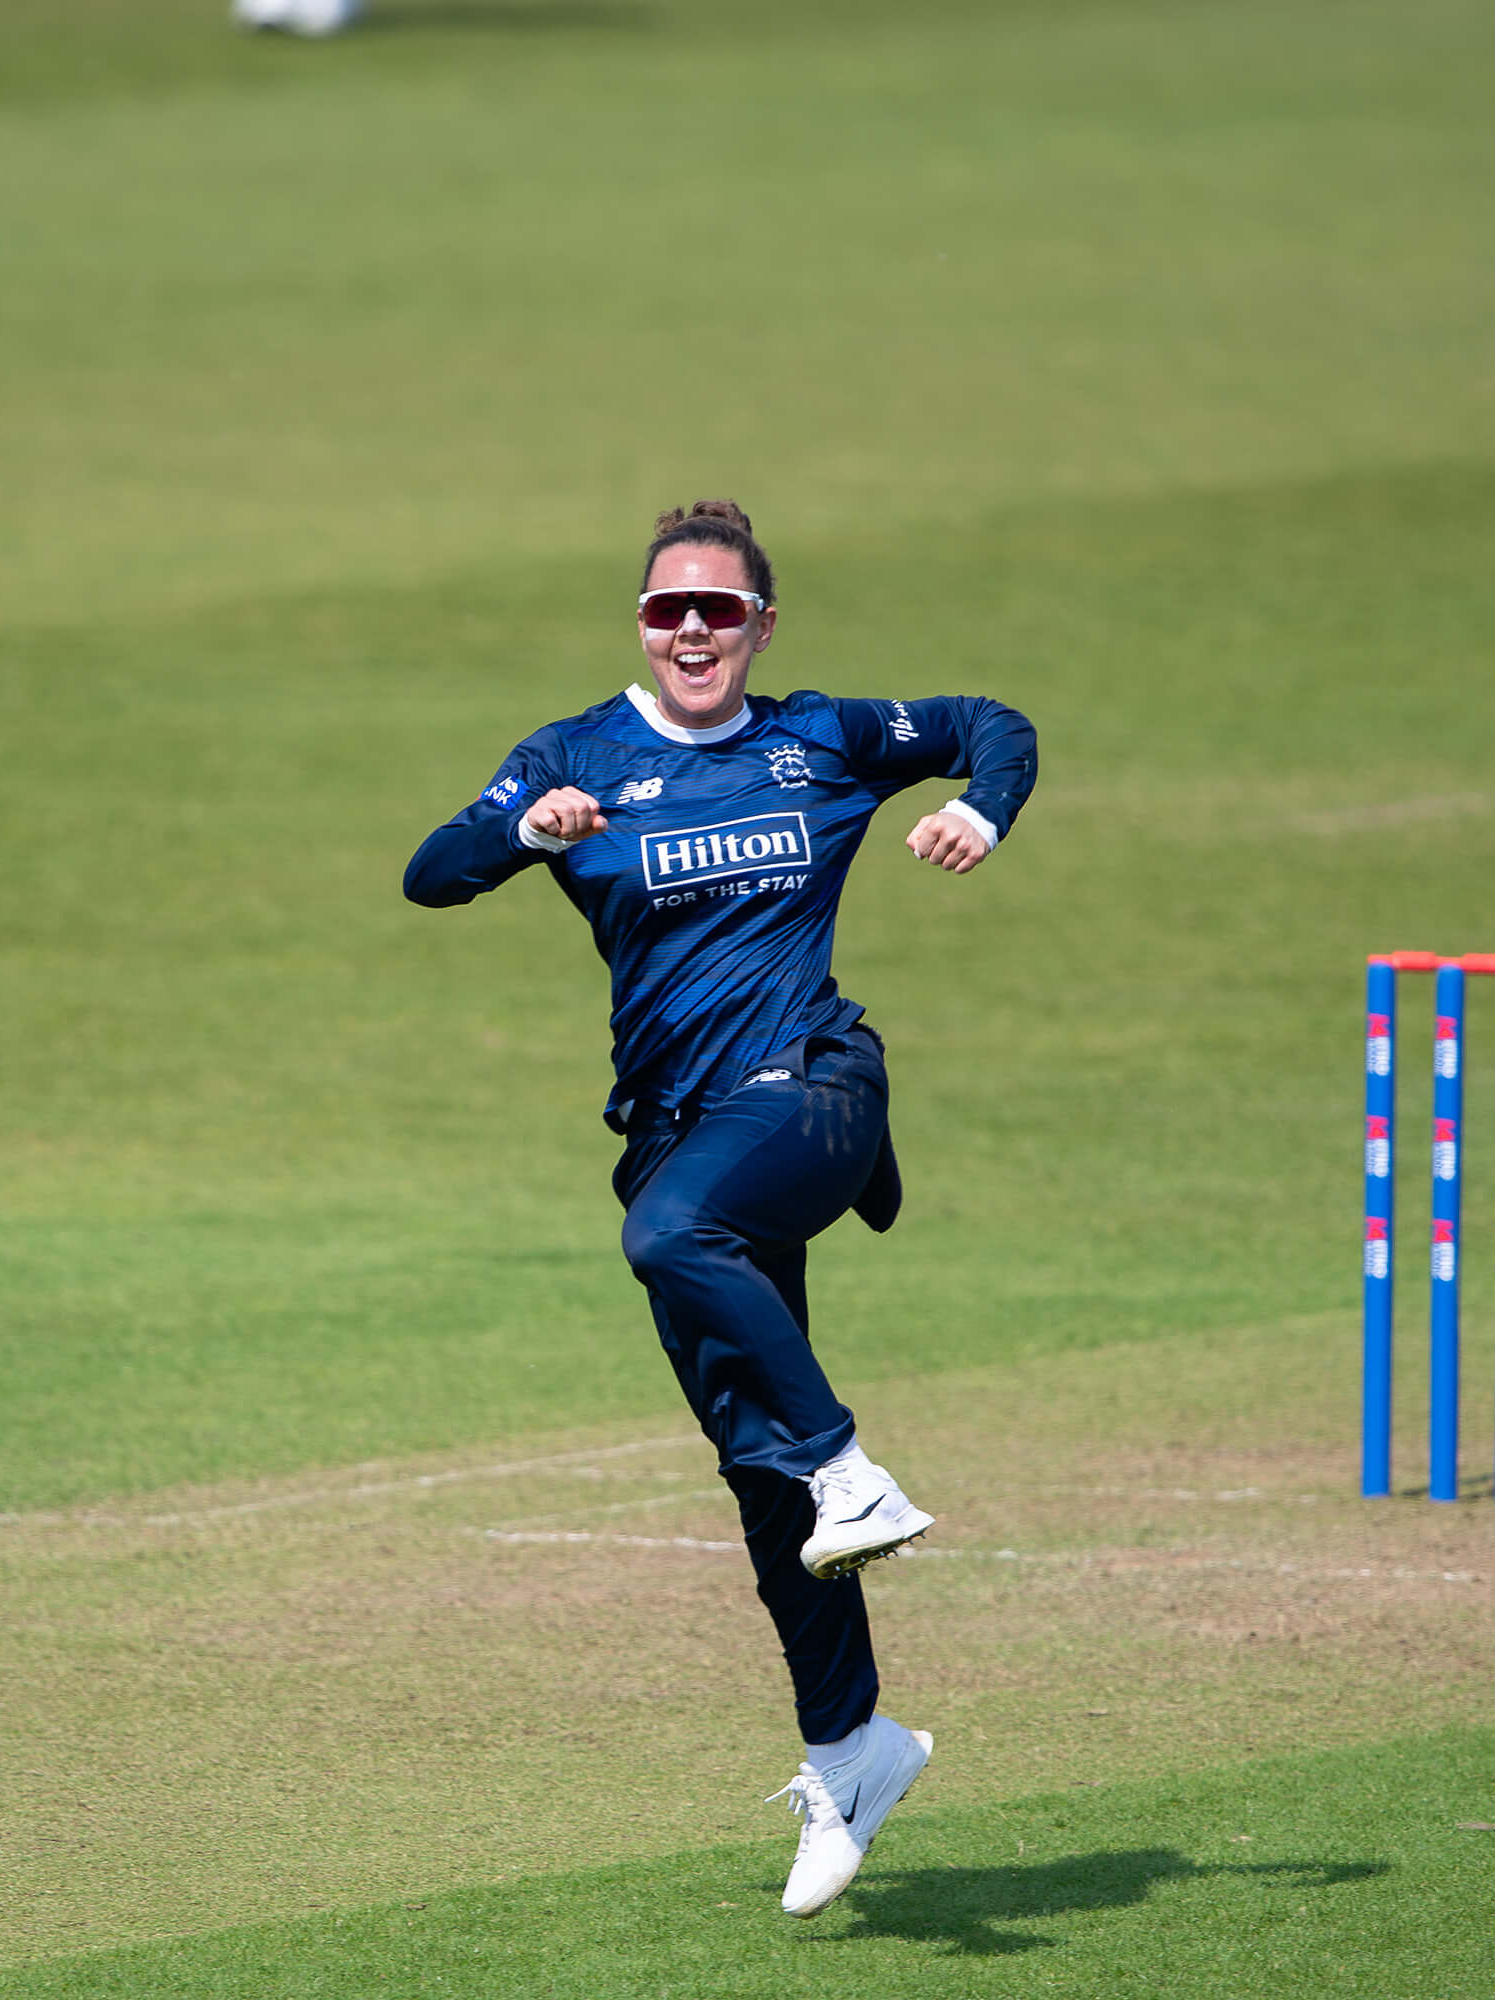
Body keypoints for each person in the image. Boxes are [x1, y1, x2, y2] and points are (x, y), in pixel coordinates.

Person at [403, 500, 1038, 1915]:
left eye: (720, 611)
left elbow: (994, 720)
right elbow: (429, 873)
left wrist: (978, 807)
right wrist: (523, 828)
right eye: (666, 612)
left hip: (813, 1094)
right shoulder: (573, 758)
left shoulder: (821, 740)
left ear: (761, 627)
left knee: (670, 1241)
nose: (692, 631)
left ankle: (849, 1463)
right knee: (760, 1488)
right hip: (682, 1134)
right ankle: (854, 1748)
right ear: (638, 627)